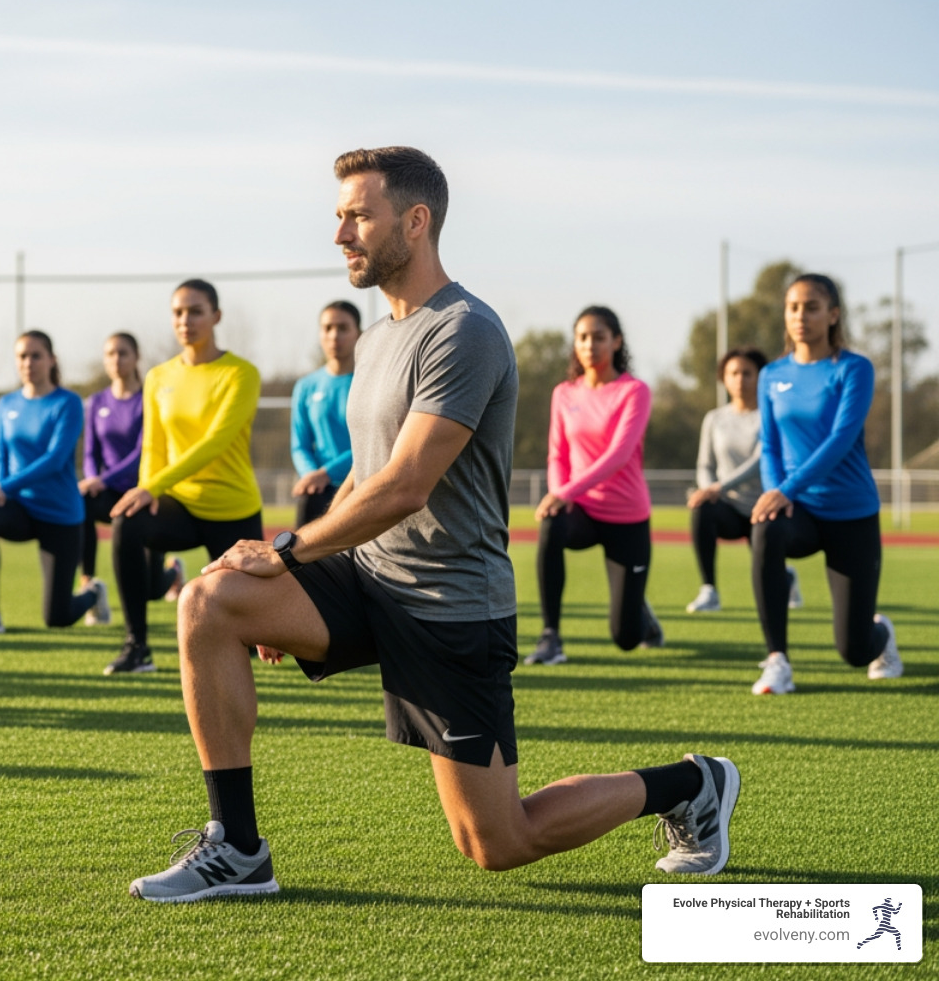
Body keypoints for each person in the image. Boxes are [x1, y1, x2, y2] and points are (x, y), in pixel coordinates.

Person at [126, 147, 738, 904]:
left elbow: (408, 484)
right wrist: (284, 575)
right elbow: (364, 471)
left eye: (358, 216)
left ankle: (691, 784)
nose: (341, 235)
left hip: (450, 604)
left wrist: (289, 551)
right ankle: (239, 849)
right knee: (209, 600)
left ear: (414, 222)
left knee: (497, 841)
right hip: (367, 576)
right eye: (339, 217)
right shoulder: (378, 338)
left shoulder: (466, 330)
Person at [749, 273, 901, 695]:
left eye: (812, 307)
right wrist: (775, 493)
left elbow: (840, 439)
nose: (801, 316)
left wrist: (786, 489)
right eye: (793, 307)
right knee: (765, 527)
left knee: (853, 650)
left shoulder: (854, 369)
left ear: (832, 315)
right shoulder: (772, 375)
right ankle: (777, 660)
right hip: (800, 511)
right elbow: (770, 444)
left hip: (851, 512)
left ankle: (881, 635)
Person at [107, 280, 264, 676]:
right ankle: (136, 646)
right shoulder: (159, 377)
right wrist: (147, 490)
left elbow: (215, 442)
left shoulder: (241, 374)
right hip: (179, 506)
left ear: (216, 316)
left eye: (195, 311)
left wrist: (153, 484)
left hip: (233, 509)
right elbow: (153, 447)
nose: (185, 320)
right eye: (178, 312)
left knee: (250, 636)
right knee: (127, 520)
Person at [526, 306, 664, 665]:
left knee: (626, 639)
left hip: (626, 516)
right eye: (583, 337)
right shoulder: (564, 393)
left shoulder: (634, 391)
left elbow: (619, 454)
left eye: (599, 337)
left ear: (616, 342)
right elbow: (557, 453)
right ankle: (551, 636)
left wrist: (563, 492)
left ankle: (642, 619)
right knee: (550, 524)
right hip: (581, 511)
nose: (590, 345)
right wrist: (560, 494)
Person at [0, 330, 108, 635]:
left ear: (51, 359)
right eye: (22, 356)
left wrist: (4, 487)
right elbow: (1, 456)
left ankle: (93, 594)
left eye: (36, 355)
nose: (28, 362)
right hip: (20, 509)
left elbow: (55, 459)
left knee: (57, 617)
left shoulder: (67, 403)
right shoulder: (6, 403)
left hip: (61, 514)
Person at [684, 347, 803, 614]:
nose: (740, 379)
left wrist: (719, 486)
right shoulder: (715, 419)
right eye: (733, 373)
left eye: (747, 373)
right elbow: (705, 464)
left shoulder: (770, 415)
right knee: (701, 509)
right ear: (723, 378)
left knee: (768, 570)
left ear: (761, 377)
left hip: (762, 506)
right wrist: (708, 490)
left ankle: (788, 578)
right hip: (727, 507)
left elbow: (761, 460)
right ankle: (709, 590)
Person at [78, 332, 181, 627]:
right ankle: (88, 582)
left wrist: (104, 479)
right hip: (109, 493)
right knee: (82, 500)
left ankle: (173, 572)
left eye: (123, 353)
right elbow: (89, 452)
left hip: (144, 493)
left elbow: (142, 452)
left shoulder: (148, 398)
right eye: (110, 353)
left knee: (150, 590)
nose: (116, 359)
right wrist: (93, 478)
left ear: (136, 357)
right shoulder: (97, 402)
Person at [290, 301, 360, 527]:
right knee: (301, 558)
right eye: (327, 328)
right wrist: (312, 475)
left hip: (362, 487)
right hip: (318, 489)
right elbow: (299, 445)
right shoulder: (306, 386)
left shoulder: (368, 382)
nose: (334, 335)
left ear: (358, 333)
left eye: (342, 328)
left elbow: (372, 442)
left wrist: (329, 472)